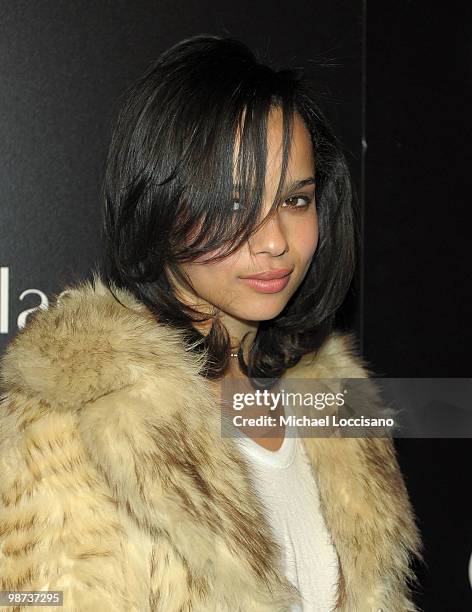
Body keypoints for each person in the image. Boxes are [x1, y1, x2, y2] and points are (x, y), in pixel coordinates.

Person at [0, 34, 422, 611]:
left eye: (295, 200)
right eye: (231, 204)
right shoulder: (65, 431)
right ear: (157, 205)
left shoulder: (337, 409)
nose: (274, 241)